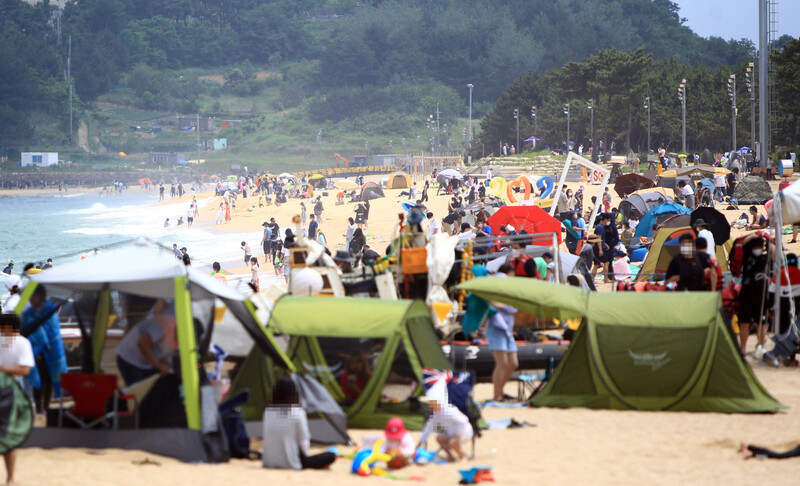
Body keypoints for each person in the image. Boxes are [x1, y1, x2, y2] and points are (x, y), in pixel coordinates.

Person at [262, 377, 336, 470]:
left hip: (268, 462)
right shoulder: (298, 412)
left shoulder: (268, 412)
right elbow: (304, 443)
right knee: (331, 456)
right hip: (291, 463)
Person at [20, 285, 67, 414]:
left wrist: (46, 345)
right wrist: (37, 348)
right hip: (35, 351)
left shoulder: (50, 310)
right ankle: (39, 409)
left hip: (51, 351)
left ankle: (46, 407)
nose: (30, 300)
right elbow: (26, 332)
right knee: (37, 380)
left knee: (48, 380)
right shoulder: (28, 313)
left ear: (38, 296)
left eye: (32, 297)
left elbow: (53, 331)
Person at [0, 314, 34, 485]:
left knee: (7, 435)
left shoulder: (22, 343)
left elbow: (24, 370)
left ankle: (10, 477)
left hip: (8, 391)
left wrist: (2, 369)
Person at [115, 299, 177, 386]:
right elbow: (142, 344)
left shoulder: (179, 337)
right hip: (129, 358)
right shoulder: (165, 324)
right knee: (138, 393)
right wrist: (159, 365)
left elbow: (164, 351)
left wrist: (162, 364)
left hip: (147, 360)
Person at [487, 264, 519, 401]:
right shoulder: (499, 283)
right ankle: (497, 395)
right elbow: (493, 304)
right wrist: (504, 306)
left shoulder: (505, 287)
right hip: (497, 327)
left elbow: (510, 307)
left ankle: (500, 391)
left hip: (507, 328)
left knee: (513, 363)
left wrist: (503, 305)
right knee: (502, 363)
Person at [417, 384, 472, 463]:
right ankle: (451, 456)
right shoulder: (435, 414)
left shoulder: (449, 411)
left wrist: (457, 436)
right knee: (439, 438)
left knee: (452, 442)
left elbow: (464, 421)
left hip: (464, 431)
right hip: (450, 432)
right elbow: (428, 428)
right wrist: (420, 442)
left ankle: (462, 456)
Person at [738, 234, 771, 356]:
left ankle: (761, 345)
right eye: (756, 246)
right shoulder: (747, 256)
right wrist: (754, 235)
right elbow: (743, 243)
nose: (758, 249)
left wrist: (767, 238)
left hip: (761, 293)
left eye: (760, 247)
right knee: (744, 322)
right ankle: (742, 348)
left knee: (761, 322)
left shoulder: (765, 259)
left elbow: (773, 250)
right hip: (746, 293)